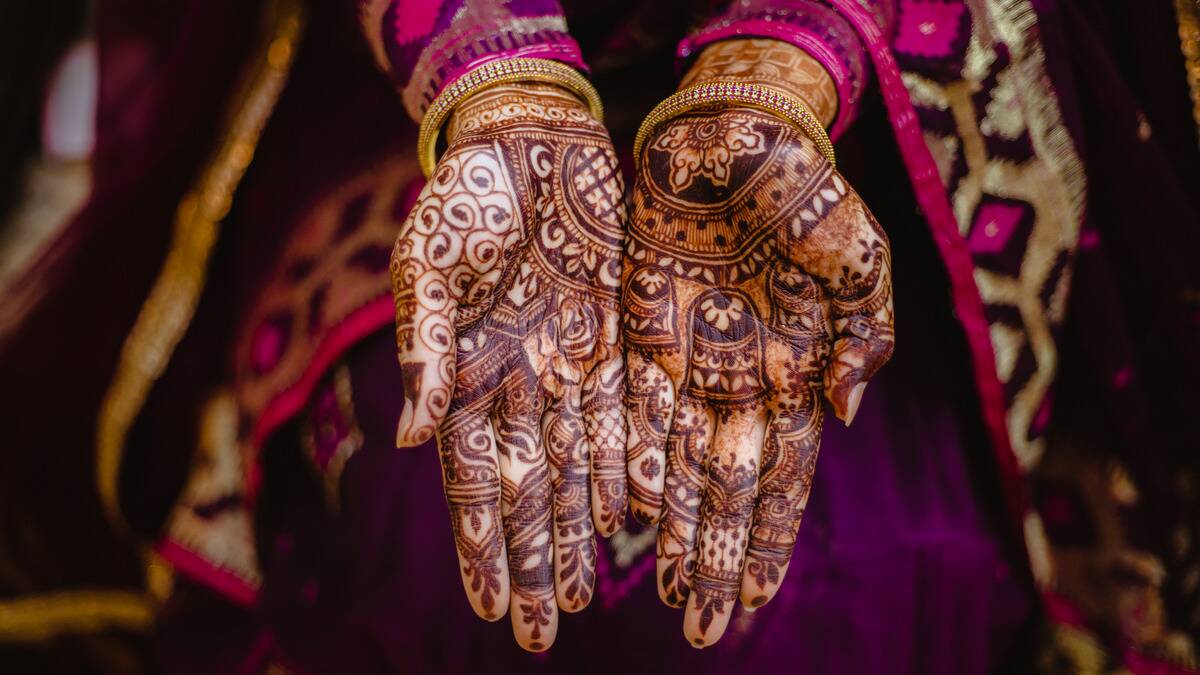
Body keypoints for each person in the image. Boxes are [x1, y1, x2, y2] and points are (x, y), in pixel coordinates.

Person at [1, 0, 1197, 672]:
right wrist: (500, 95)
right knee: (450, 548)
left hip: (885, 83)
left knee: (865, 571)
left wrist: (778, 73)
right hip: (418, 82)